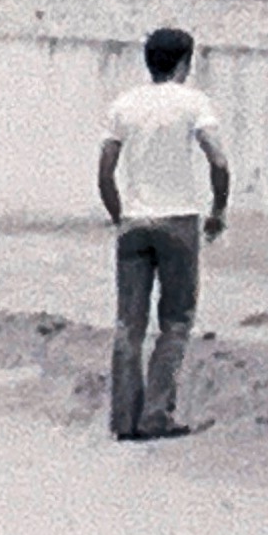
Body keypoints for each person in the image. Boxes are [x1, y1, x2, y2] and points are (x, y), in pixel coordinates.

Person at [98, 26, 230, 441]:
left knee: (128, 323)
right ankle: (156, 412)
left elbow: (105, 172)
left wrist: (119, 214)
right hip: (178, 220)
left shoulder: (124, 104)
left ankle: (123, 418)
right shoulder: (193, 102)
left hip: (134, 222)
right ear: (185, 62)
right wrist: (219, 209)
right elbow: (219, 161)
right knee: (175, 321)